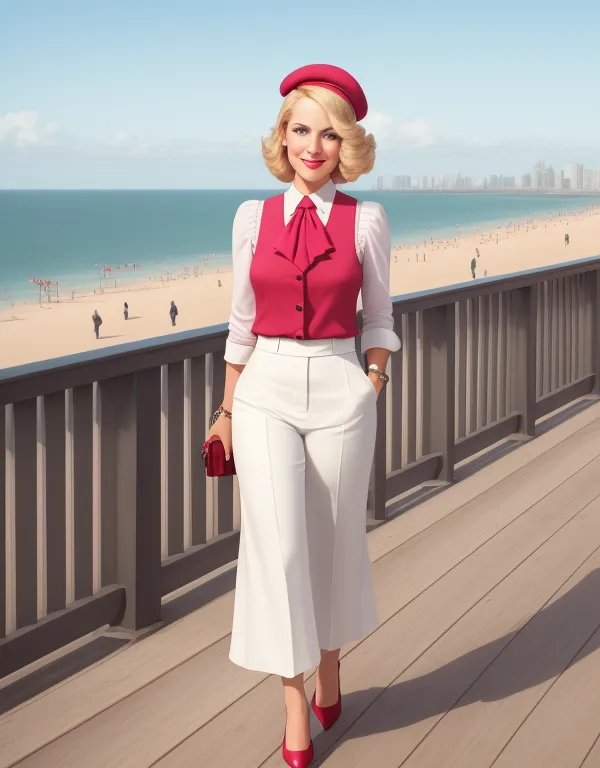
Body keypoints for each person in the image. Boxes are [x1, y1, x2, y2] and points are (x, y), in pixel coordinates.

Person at [206, 64, 400, 768]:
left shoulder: (368, 219)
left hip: (342, 386)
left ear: (345, 144)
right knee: (280, 547)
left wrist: (370, 381)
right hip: (265, 390)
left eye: (327, 133)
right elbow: (240, 325)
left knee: (334, 539)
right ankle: (294, 706)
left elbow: (378, 318)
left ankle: (330, 658)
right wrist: (225, 410)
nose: (311, 146)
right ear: (281, 136)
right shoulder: (251, 218)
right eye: (299, 129)